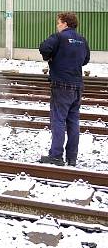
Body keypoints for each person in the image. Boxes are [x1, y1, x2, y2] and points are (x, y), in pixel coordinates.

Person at [38, 11, 90, 166]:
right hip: (77, 86)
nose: (57, 25)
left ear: (65, 23)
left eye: (59, 22)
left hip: (61, 85)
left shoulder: (59, 37)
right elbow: (85, 60)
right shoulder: (82, 40)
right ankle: (72, 158)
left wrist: (52, 57)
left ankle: (56, 156)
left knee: (58, 120)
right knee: (73, 121)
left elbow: (44, 48)